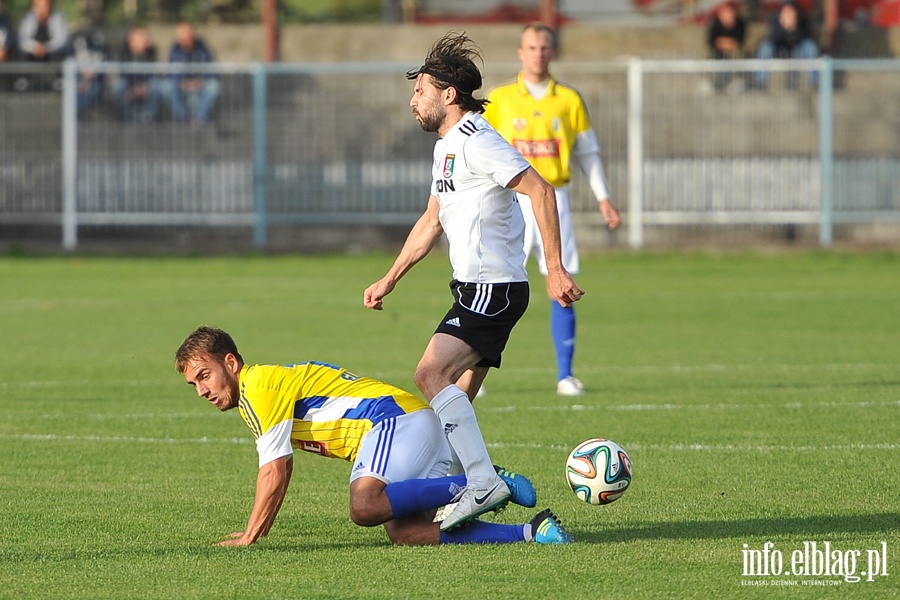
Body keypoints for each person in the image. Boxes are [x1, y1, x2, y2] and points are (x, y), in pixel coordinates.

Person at [363, 32, 583, 532]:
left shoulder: (478, 140)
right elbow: (431, 221)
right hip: (474, 287)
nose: (412, 99)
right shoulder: (446, 149)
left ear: (449, 95)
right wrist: (390, 277)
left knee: (428, 375)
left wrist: (555, 267)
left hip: (493, 286)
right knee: (457, 392)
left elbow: (541, 190)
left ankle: (480, 483)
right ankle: (470, 490)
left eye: (420, 90)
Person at [174, 326, 573, 547]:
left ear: (231, 361)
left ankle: (486, 482)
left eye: (204, 376)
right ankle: (532, 532)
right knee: (405, 532)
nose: (202, 390)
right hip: (414, 428)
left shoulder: (259, 384)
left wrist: (251, 535)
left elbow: (276, 470)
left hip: (394, 422)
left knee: (364, 505)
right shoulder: (252, 397)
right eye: (194, 384)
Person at [483, 23, 621, 397]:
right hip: (509, 200)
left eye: (544, 47)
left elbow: (588, 152)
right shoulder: (500, 99)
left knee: (560, 283)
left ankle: (565, 375)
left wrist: (603, 197)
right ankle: (472, 372)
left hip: (554, 198)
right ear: (520, 52)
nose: (538, 53)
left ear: (552, 52)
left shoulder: (569, 100)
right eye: (531, 47)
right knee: (490, 283)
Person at [754, 0, 819, 90]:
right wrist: (782, 27)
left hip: (798, 48)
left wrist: (794, 29)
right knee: (765, 48)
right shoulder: (776, 19)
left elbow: (806, 36)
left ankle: (813, 83)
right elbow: (772, 38)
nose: (788, 14)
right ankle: (761, 82)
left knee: (811, 47)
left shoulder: (803, 19)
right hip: (780, 48)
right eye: (786, 11)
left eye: (791, 11)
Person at [163, 22, 220, 123]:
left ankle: (200, 116)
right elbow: (171, 73)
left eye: (187, 35)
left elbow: (211, 70)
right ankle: (183, 117)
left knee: (214, 86)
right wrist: (183, 83)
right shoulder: (174, 50)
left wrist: (198, 82)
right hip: (181, 85)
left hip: (200, 84)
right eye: (182, 36)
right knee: (166, 87)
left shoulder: (203, 49)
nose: (185, 39)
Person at [16, 0, 69, 91]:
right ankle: (23, 81)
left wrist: (45, 48)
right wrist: (35, 47)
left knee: (61, 54)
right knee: (20, 53)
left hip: (51, 53)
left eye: (45, 6)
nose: (42, 9)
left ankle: (59, 82)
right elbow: (22, 39)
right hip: (33, 53)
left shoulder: (58, 17)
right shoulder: (28, 17)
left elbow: (61, 40)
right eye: (38, 6)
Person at [114, 26, 163, 122]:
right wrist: (135, 90)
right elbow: (123, 74)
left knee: (156, 85)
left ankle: (149, 117)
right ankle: (129, 118)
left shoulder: (151, 52)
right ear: (131, 39)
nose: (146, 39)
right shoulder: (123, 52)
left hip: (146, 85)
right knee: (118, 87)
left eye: (147, 36)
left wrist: (142, 88)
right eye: (142, 36)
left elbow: (155, 73)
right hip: (130, 85)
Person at [705, 1, 746, 92]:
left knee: (738, 56)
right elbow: (712, 41)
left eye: (731, 12)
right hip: (718, 52)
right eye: (726, 12)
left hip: (734, 53)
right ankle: (712, 83)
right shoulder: (715, 24)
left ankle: (735, 81)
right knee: (713, 57)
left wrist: (726, 43)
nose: (729, 15)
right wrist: (724, 44)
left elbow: (739, 42)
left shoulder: (740, 24)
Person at [70, 27, 109, 117]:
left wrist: (91, 77)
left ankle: (73, 116)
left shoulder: (102, 50)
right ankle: (73, 117)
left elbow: (103, 73)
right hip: (79, 80)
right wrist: (82, 80)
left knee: (91, 90)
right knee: (75, 91)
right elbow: (72, 67)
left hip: (95, 82)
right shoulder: (76, 48)